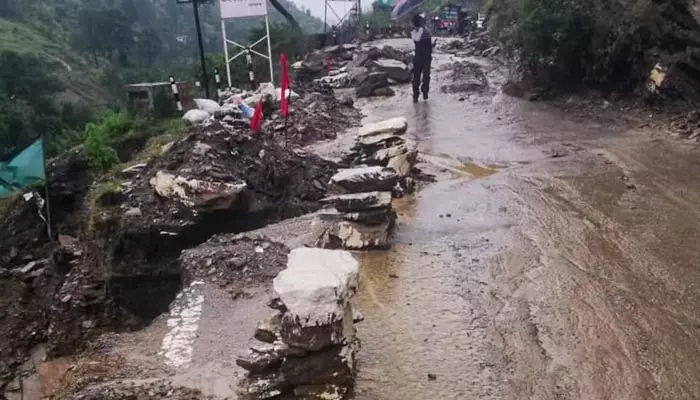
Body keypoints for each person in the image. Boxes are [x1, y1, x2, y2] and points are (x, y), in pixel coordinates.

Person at [411, 13, 433, 102]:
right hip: (426, 57)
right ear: (420, 22)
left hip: (417, 57)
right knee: (426, 76)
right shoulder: (425, 32)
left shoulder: (413, 33)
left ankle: (415, 94)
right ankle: (424, 92)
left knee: (416, 77)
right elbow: (429, 46)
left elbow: (417, 40)